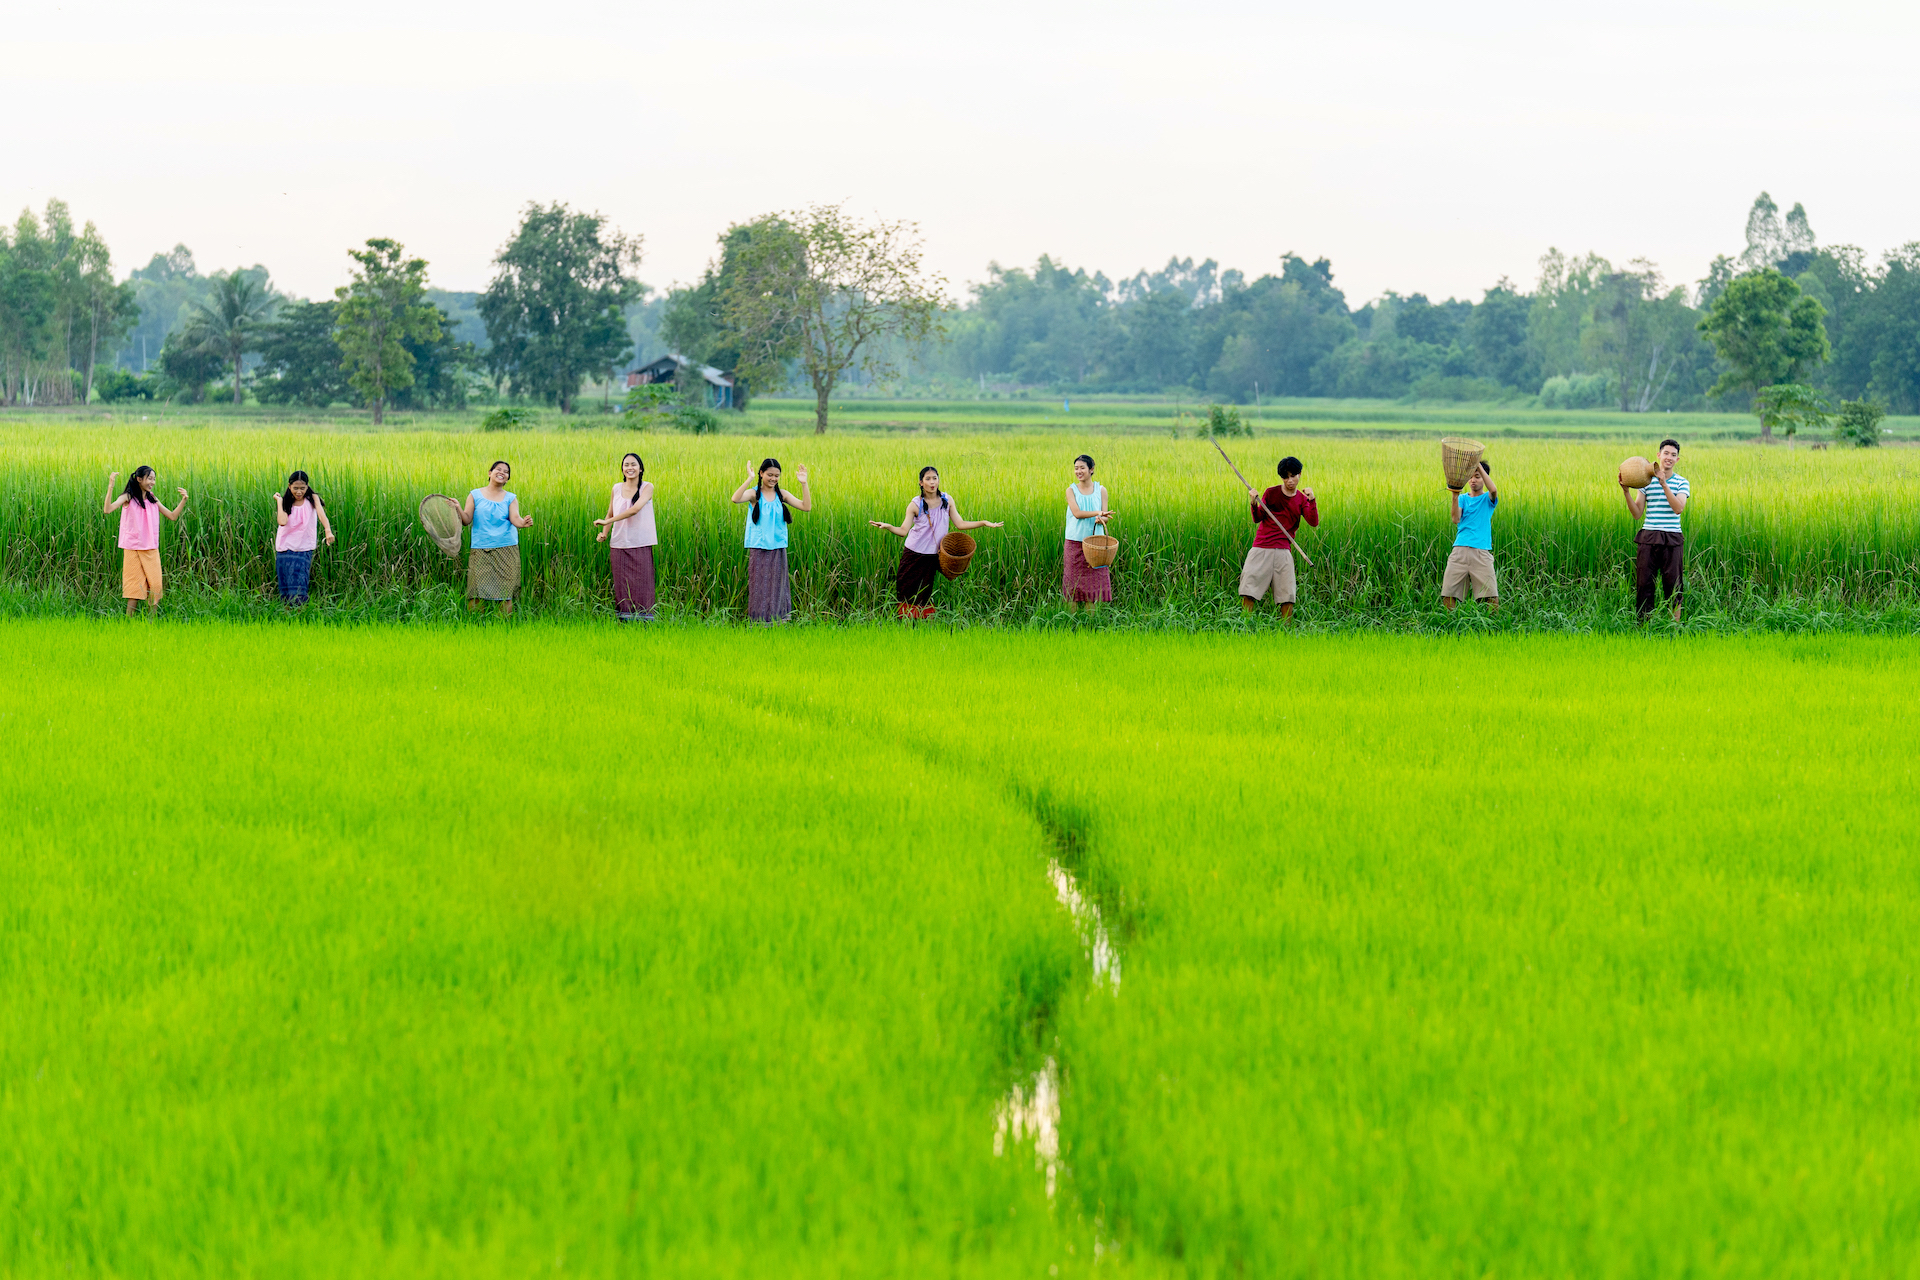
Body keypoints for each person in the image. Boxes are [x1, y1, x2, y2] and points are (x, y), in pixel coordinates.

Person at [869, 465, 1003, 619]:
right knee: (906, 590)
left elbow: (960, 524)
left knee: (924, 592)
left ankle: (922, 625)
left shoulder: (947, 500)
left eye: (935, 478)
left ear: (938, 480)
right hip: (913, 555)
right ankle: (905, 624)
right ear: (921, 482)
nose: (932, 482)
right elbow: (903, 531)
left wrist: (984, 522)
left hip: (932, 556)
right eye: (928, 479)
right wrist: (889, 527)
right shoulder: (915, 505)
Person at [730, 458, 813, 623]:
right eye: (770, 475)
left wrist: (804, 483)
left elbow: (806, 507)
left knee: (777, 587)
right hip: (759, 548)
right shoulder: (754, 494)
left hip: (778, 547)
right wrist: (749, 479)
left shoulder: (782, 495)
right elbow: (735, 498)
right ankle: (759, 622)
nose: (773, 479)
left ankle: (778, 621)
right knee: (759, 586)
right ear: (762, 474)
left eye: (777, 475)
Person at [102, 466, 187, 616]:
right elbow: (108, 509)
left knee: (155, 585)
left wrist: (184, 500)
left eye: (154, 479)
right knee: (134, 587)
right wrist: (110, 486)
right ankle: (128, 622)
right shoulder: (128, 497)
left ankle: (150, 621)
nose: (152, 482)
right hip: (132, 547)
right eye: (149, 479)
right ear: (139, 479)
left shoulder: (152, 498)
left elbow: (172, 516)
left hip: (150, 547)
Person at [1238, 456, 1317, 618]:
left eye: (1293, 476)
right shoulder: (1271, 493)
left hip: (1283, 549)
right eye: (1285, 477)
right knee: (1249, 590)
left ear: (1299, 474)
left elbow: (1313, 522)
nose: (1290, 481)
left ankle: (1286, 631)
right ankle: (1245, 624)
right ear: (1281, 477)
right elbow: (1257, 518)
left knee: (1286, 595)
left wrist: (1312, 500)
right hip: (1261, 546)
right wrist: (1253, 503)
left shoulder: (1302, 499)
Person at [1620, 438, 1689, 621]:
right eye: (1666, 453)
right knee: (1644, 584)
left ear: (1677, 460)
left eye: (1673, 455)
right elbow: (1637, 513)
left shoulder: (1682, 482)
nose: (1669, 457)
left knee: (1673, 584)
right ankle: (1643, 627)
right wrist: (1626, 491)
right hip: (1648, 537)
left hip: (1672, 538)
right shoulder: (1645, 482)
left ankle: (1673, 627)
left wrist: (1664, 484)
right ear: (1658, 456)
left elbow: (1678, 508)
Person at [460, 460, 534, 615]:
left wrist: (524, 523)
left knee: (505, 594)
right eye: (498, 469)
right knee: (475, 593)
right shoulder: (475, 495)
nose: (502, 472)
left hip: (506, 548)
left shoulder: (510, 498)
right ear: (489, 473)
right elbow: (466, 520)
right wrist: (457, 508)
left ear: (507, 479)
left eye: (506, 472)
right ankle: (475, 625)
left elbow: (515, 519)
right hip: (481, 548)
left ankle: (504, 628)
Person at [594, 452, 657, 621]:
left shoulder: (647, 487)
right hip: (619, 542)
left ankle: (644, 620)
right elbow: (610, 512)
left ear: (641, 468)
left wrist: (608, 521)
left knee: (642, 582)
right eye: (626, 465)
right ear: (622, 469)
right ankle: (625, 619)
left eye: (633, 464)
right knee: (622, 583)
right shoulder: (616, 488)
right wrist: (604, 533)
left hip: (640, 541)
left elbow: (634, 510)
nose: (630, 468)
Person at [271, 470, 335, 609]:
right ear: (289, 486)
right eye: (295, 488)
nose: (299, 492)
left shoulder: (312, 499)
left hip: (303, 547)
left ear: (307, 487)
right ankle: (287, 613)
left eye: (302, 488)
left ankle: (300, 612)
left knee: (299, 582)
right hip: (285, 547)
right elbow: (282, 521)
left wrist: (327, 531)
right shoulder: (286, 501)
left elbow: (321, 514)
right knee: (285, 583)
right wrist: (279, 501)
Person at [1441, 461, 1498, 612]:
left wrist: (1477, 463)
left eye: (1477, 477)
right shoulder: (1462, 499)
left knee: (1490, 595)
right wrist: (1455, 494)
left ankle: (1492, 627)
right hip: (1459, 550)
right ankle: (1451, 625)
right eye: (1470, 477)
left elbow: (1493, 489)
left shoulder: (1487, 499)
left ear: (1484, 478)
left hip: (1481, 552)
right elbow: (1455, 519)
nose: (1473, 480)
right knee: (1449, 593)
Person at [1061, 454, 1115, 610]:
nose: (1078, 471)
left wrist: (1101, 519)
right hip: (1074, 542)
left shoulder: (1101, 490)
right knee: (1072, 585)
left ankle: (1090, 624)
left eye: (1082, 468)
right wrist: (1097, 513)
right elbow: (1077, 513)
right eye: (1076, 468)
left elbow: (1105, 516)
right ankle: (1070, 622)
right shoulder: (1071, 490)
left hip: (1095, 544)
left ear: (1091, 469)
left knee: (1092, 588)